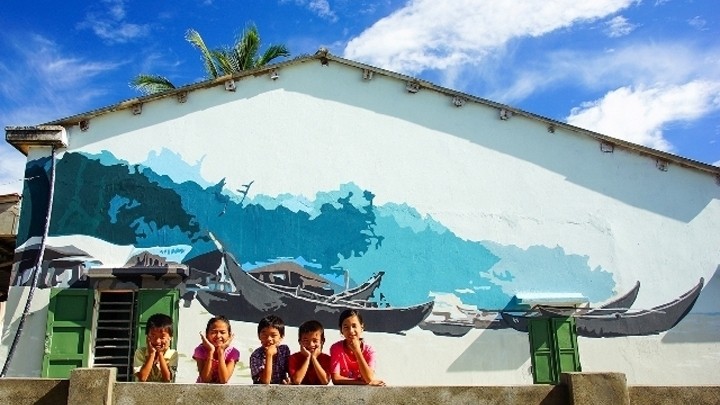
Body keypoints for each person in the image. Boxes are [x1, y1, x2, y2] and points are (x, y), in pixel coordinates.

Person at [330, 309, 385, 386]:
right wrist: (363, 382)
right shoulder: (336, 348)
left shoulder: (369, 351)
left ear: (361, 327)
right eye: (346, 327)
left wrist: (357, 351)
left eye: (354, 326)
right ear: (341, 330)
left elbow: (368, 378)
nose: (351, 331)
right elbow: (336, 379)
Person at [193, 315, 240, 383]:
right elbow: (205, 380)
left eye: (222, 332)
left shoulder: (232, 352)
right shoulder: (200, 350)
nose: (218, 336)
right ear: (207, 335)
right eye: (213, 332)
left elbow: (224, 380)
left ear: (229, 335)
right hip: (202, 390)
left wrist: (220, 352)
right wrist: (211, 351)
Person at [133, 313, 178, 382]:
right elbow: (142, 378)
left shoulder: (172, 354)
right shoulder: (140, 352)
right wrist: (151, 354)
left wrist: (160, 354)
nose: (157, 341)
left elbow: (167, 378)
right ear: (147, 337)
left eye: (162, 337)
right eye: (153, 336)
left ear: (170, 337)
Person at [250, 314, 291, 384]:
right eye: (264, 335)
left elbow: (291, 372)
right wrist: (269, 355)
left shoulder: (284, 350)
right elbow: (266, 381)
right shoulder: (256, 356)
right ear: (259, 336)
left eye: (273, 335)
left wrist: (289, 380)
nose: (269, 339)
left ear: (281, 337)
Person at [288, 320, 331, 385]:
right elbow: (297, 380)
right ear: (300, 341)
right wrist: (308, 358)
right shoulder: (294, 358)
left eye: (315, 341)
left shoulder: (327, 359)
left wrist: (314, 358)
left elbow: (325, 381)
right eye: (306, 341)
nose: (311, 344)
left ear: (322, 341)